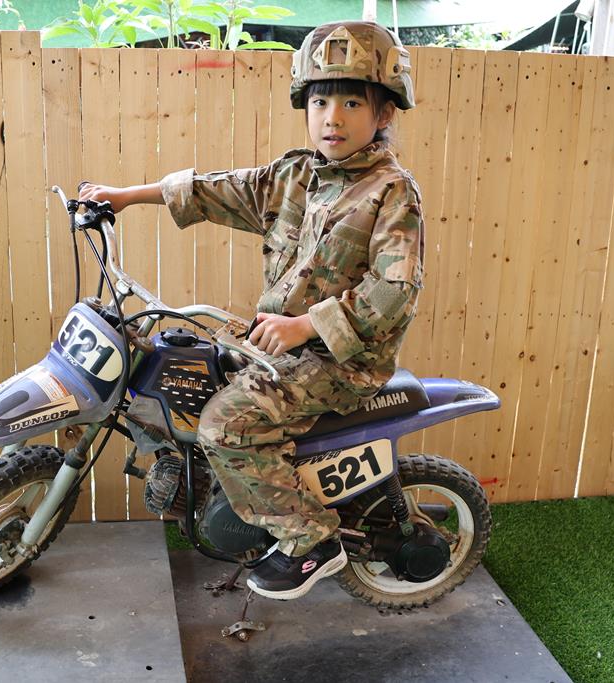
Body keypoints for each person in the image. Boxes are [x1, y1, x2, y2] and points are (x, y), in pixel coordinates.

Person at [79, 21, 424, 600]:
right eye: (320, 102)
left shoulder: (391, 192)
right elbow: (220, 189)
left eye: (351, 103)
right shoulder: (296, 176)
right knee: (179, 373)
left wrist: (304, 326)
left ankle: (310, 541)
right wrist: (124, 197)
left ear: (384, 112)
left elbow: (394, 291)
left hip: (341, 362)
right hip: (276, 342)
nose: (332, 118)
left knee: (225, 424)